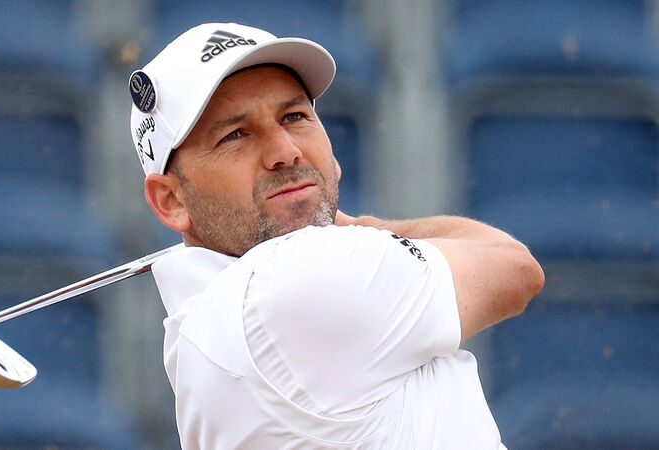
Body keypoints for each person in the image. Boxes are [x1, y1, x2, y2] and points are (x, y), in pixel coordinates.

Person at [128, 22, 544, 449]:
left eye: (294, 117)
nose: (287, 151)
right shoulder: (296, 282)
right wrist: (363, 225)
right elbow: (514, 268)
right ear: (171, 200)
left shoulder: (200, 329)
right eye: (235, 135)